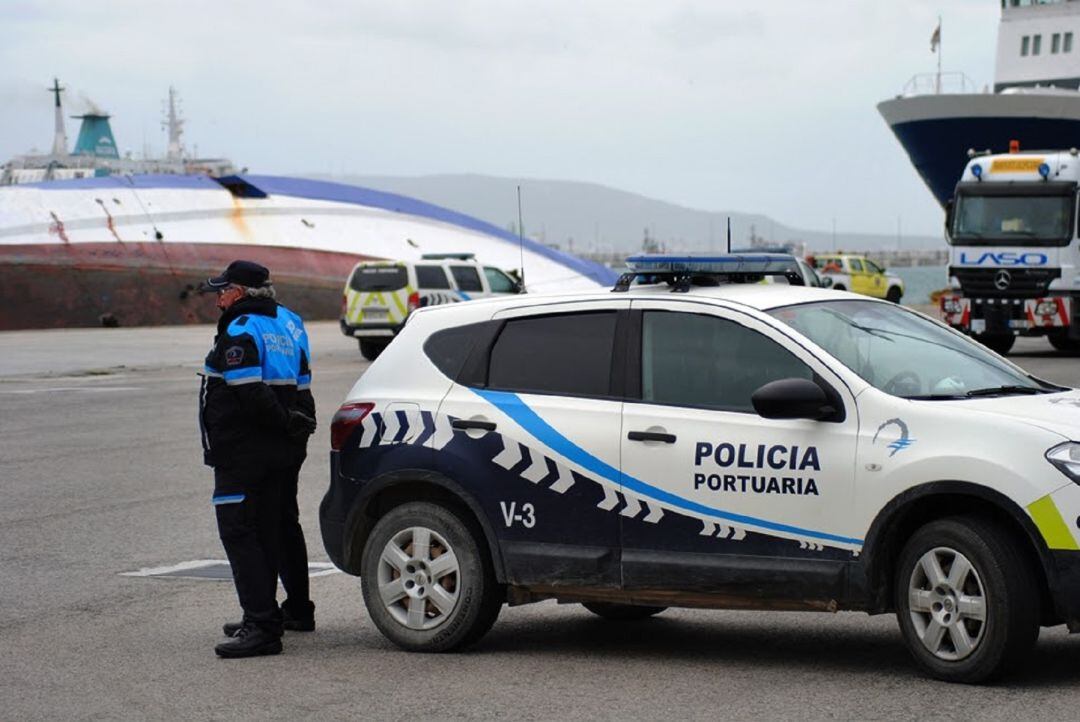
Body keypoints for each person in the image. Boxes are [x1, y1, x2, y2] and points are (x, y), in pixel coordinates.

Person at [198, 260, 317, 658]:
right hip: (279, 449)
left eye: (224, 290)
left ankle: (262, 625)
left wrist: (285, 424)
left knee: (239, 529)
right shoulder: (288, 323)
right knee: (274, 526)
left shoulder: (241, 328)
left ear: (241, 292)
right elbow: (303, 385)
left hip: (244, 450)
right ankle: (276, 612)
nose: (219, 298)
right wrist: (298, 428)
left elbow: (246, 391)